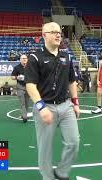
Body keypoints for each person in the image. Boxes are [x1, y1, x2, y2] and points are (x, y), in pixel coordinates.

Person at [25, 22, 80, 180]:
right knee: (45, 149)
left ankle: (62, 173)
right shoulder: (35, 57)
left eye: (59, 32)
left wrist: (75, 103)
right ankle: (48, 177)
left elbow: (72, 81)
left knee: (74, 142)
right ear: (44, 35)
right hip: (45, 107)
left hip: (66, 106)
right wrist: (41, 107)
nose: (58, 34)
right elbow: (30, 85)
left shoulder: (66, 56)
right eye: (53, 31)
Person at [11, 54, 30, 123]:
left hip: (29, 87)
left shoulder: (31, 67)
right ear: (20, 60)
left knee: (27, 103)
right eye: (23, 58)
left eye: (25, 58)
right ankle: (24, 116)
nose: (24, 59)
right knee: (22, 103)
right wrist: (17, 77)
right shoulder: (17, 68)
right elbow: (12, 77)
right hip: (20, 87)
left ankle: (24, 114)